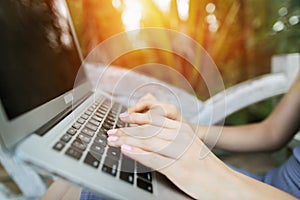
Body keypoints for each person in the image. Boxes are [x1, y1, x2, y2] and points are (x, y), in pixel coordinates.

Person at [42, 72, 300, 199]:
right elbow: (272, 133)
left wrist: (206, 172)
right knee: (87, 169)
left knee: (92, 189)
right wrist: (187, 128)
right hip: (263, 183)